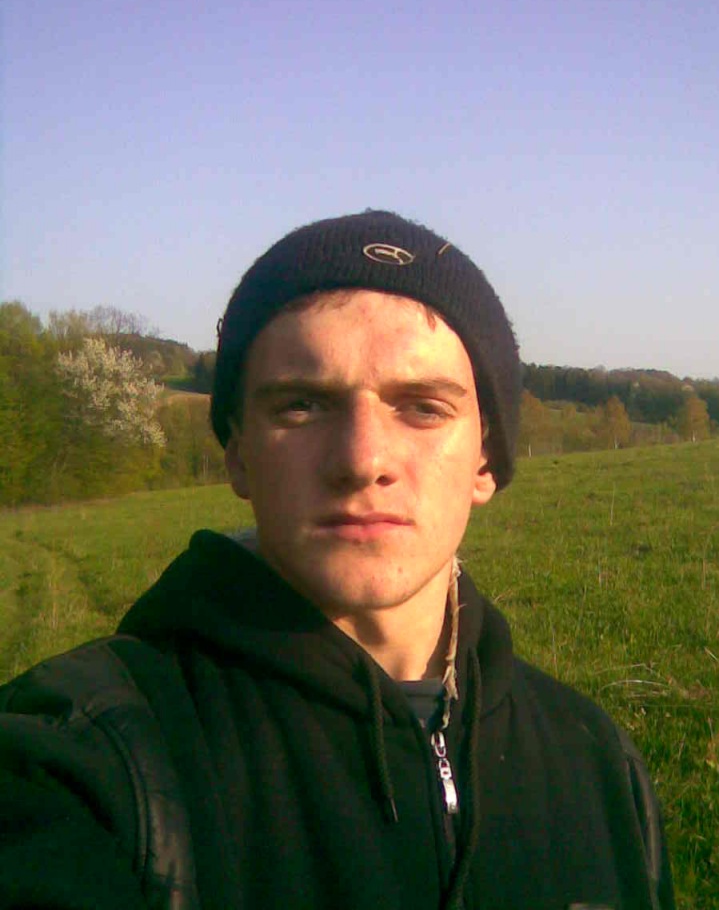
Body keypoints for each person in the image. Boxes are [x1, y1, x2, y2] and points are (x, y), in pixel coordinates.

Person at [0, 211, 674, 910]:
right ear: (237, 453)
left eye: (422, 408)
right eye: (302, 405)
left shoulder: (597, 762)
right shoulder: (85, 756)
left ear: (486, 461)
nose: (362, 459)